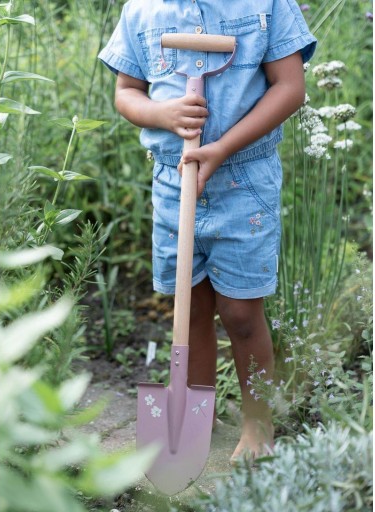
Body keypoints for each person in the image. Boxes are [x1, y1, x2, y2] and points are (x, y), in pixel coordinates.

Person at [98, 0, 317, 463]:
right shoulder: (141, 12)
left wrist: (219, 148)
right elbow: (127, 92)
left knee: (241, 311)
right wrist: (164, 114)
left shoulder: (267, 5)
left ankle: (258, 425)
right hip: (173, 182)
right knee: (189, 304)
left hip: (244, 182)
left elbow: (291, 87)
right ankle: (196, 417)